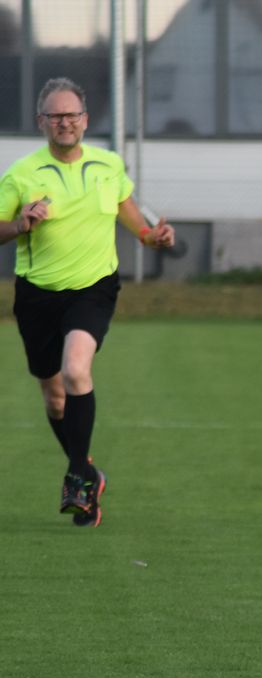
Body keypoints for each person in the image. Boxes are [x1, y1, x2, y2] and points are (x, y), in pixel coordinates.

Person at [0, 77, 174, 527]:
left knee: (77, 369)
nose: (65, 122)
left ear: (85, 119)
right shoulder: (21, 174)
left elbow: (126, 210)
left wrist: (149, 236)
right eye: (56, 115)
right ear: (41, 122)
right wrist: (20, 224)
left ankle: (78, 478)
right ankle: (90, 474)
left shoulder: (108, 165)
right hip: (37, 295)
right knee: (55, 398)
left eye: (72, 114)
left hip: (93, 288)